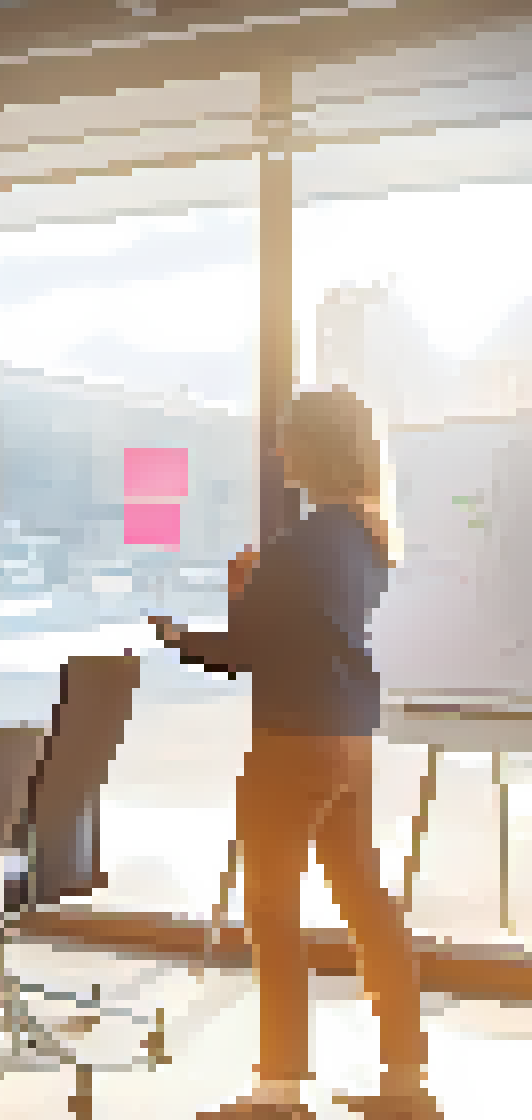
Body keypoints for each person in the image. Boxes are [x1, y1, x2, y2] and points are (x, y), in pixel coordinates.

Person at [153, 386, 436, 1120]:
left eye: (287, 440)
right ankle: (406, 1080)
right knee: (366, 901)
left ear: (314, 450)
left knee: (273, 910)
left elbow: (245, 652)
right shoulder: (372, 539)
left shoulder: (300, 546)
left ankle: (279, 1089)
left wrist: (183, 633)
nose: (279, 452)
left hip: (290, 742)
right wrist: (253, 595)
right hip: (349, 738)